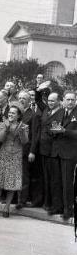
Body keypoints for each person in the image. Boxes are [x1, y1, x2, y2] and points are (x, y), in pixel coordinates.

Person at [0, 105, 29, 217]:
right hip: (4, 153)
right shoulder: (3, 123)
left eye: (13, 113)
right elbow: (0, 139)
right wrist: (6, 128)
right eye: (9, 113)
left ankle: (6, 207)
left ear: (19, 115)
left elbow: (25, 141)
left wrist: (21, 131)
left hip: (16, 155)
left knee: (12, 182)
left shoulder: (24, 126)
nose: (10, 115)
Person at [29, 90, 63, 215]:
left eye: (53, 100)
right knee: (45, 177)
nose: (51, 103)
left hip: (54, 151)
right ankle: (46, 202)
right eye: (49, 100)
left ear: (59, 101)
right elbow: (38, 100)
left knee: (54, 179)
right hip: (43, 150)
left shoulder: (62, 112)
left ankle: (55, 205)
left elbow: (56, 129)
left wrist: (49, 129)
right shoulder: (46, 110)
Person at [50, 92, 77, 220]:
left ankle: (68, 210)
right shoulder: (60, 112)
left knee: (67, 182)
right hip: (57, 151)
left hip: (69, 153)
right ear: (63, 101)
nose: (70, 102)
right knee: (56, 181)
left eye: (72, 99)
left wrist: (65, 131)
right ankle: (57, 207)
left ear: (75, 100)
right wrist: (54, 130)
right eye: (68, 99)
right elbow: (53, 126)